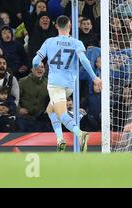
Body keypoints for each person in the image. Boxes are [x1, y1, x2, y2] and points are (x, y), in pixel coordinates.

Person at [32, 15, 102, 152]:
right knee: (50, 110)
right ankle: (60, 140)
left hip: (55, 84)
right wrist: (94, 77)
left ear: (56, 26)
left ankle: (81, 134)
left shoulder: (49, 42)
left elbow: (35, 61)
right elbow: (84, 61)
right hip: (69, 85)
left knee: (62, 113)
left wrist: (37, 65)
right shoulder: (77, 43)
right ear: (69, 26)